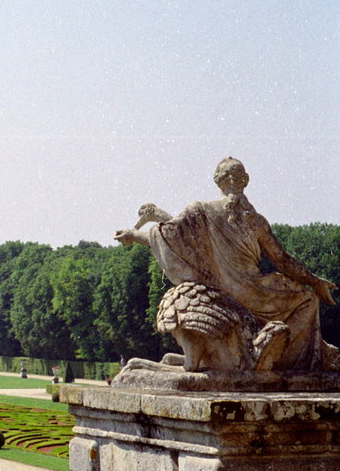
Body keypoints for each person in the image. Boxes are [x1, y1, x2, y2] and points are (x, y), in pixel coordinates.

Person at [115, 157, 338, 371]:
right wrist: (314, 282)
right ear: (246, 180)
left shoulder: (200, 210)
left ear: (218, 182)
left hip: (222, 291)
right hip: (258, 294)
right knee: (308, 299)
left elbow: (170, 235)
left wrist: (134, 235)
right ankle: (283, 361)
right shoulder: (256, 221)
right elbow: (283, 259)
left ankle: (260, 356)